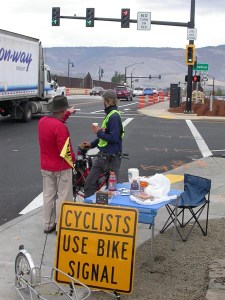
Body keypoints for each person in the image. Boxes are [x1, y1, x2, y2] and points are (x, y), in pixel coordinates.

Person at [38, 95, 76, 233]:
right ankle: (62, 226)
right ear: (61, 110)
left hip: (46, 166)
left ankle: (48, 224)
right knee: (64, 197)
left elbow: (56, 122)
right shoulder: (61, 127)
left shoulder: (42, 122)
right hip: (61, 167)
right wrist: (74, 161)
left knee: (48, 195)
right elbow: (65, 151)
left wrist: (68, 114)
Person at [80, 89, 124, 198]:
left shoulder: (113, 116)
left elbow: (113, 138)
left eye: (103, 100)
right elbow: (105, 137)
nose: (102, 102)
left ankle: (103, 208)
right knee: (91, 183)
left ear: (108, 101)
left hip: (111, 158)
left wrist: (98, 132)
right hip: (104, 155)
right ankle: (93, 205)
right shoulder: (110, 114)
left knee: (110, 189)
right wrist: (91, 144)